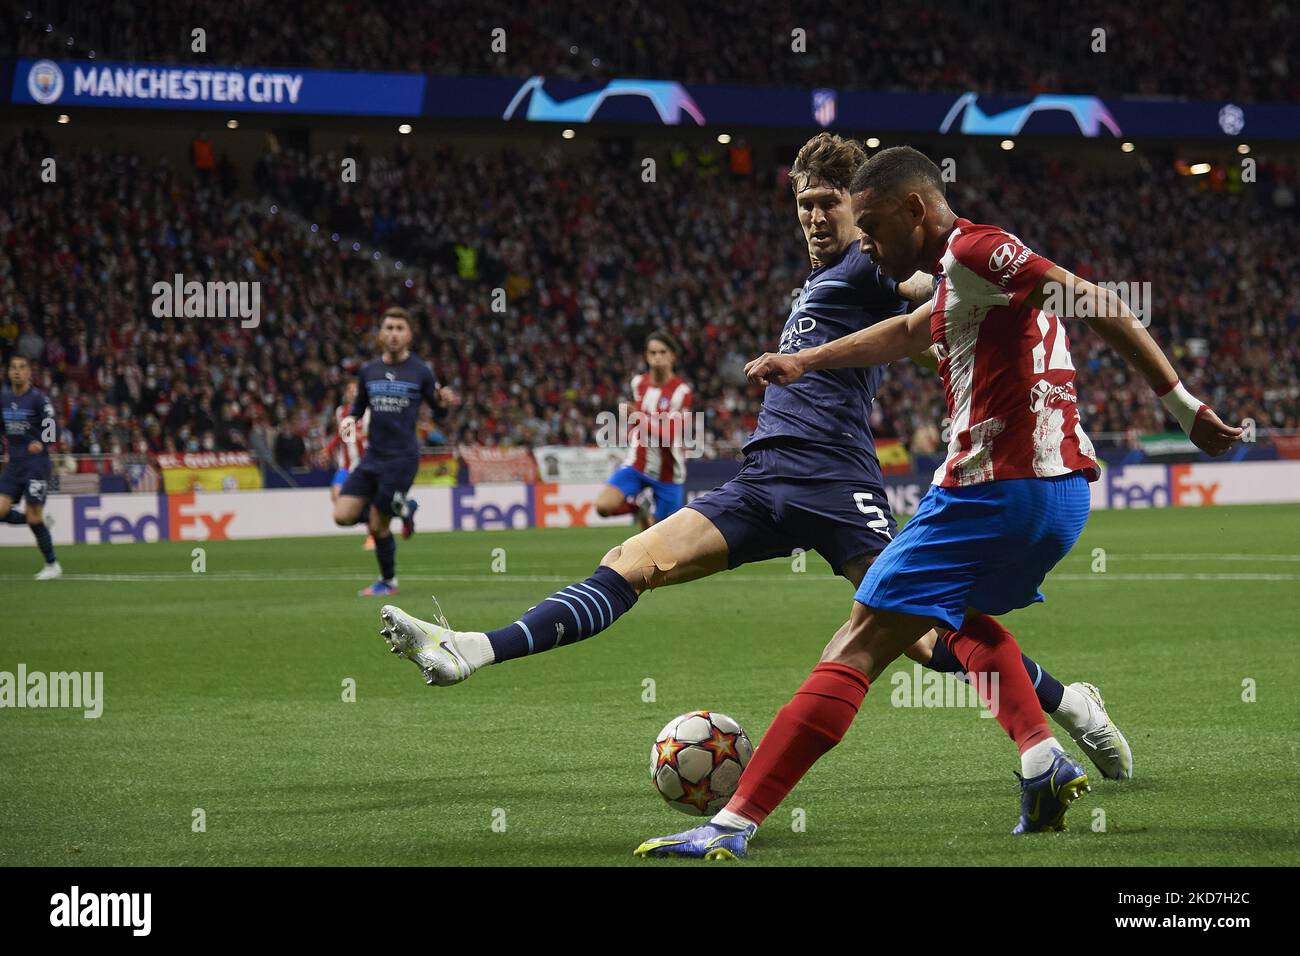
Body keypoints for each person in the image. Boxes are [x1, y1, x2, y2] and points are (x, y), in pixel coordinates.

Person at [376, 134, 1129, 784]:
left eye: (828, 202)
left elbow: (926, 286)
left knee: (929, 639)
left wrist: (955, 289)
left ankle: (1069, 704)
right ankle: (471, 648)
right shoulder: (819, 280)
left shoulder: (872, 263)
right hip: (765, 476)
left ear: (863, 207)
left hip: (837, 483)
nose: (813, 216)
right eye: (803, 202)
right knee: (634, 561)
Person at [635, 145, 1241, 859]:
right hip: (1061, 500)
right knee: (953, 622)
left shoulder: (978, 251)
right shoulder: (972, 277)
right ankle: (1044, 758)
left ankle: (730, 826)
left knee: (858, 640)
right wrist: (804, 360)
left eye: (872, 225)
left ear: (915, 209)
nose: (867, 243)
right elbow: (906, 332)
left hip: (990, 491)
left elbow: (1099, 301)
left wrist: (1183, 407)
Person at [333, 307, 458, 597]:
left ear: (409, 335)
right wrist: (347, 437)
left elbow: (439, 412)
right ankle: (402, 507)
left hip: (402, 458)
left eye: (400, 328)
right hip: (372, 457)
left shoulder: (421, 371)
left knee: (378, 525)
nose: (393, 333)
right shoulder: (369, 371)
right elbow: (356, 410)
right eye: (388, 327)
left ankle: (388, 582)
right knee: (342, 514)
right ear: (380, 334)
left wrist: (443, 402)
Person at [595, 330, 693, 531]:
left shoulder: (681, 392)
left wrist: (638, 417)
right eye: (652, 352)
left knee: (660, 540)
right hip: (637, 464)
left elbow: (670, 436)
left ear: (672, 356)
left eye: (662, 352)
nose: (657, 357)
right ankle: (639, 507)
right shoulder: (638, 383)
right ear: (646, 356)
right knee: (603, 506)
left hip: (668, 473)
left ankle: (648, 517)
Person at [0, 355, 61, 579]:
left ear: (29, 373)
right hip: (14, 465)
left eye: (21, 367)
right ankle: (39, 522)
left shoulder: (38, 399)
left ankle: (52, 564)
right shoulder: (4, 399)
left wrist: (42, 443)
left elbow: (53, 428)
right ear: (8, 372)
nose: (17, 371)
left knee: (34, 517)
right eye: (13, 367)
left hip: (36, 465)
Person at [320, 380, 373, 550]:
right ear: (346, 393)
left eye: (356, 389)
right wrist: (328, 450)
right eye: (351, 390)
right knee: (336, 495)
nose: (354, 392)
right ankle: (363, 516)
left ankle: (371, 535)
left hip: (363, 464)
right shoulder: (341, 412)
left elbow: (371, 435)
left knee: (367, 499)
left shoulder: (369, 412)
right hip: (346, 465)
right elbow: (343, 435)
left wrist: (363, 436)